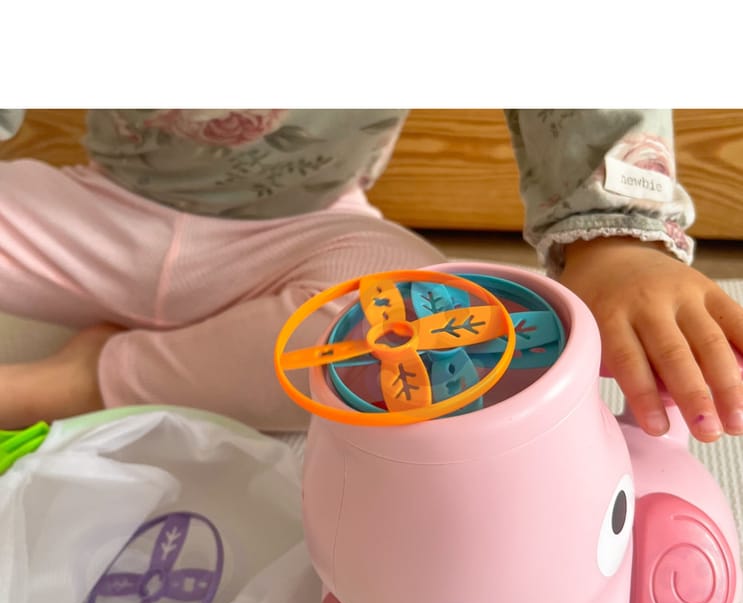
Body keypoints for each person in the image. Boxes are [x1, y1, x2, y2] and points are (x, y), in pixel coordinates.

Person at [0, 108, 741, 441]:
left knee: (422, 325)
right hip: (90, 211)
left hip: (307, 228)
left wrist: (615, 233)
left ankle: (86, 380)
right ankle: (200, 354)